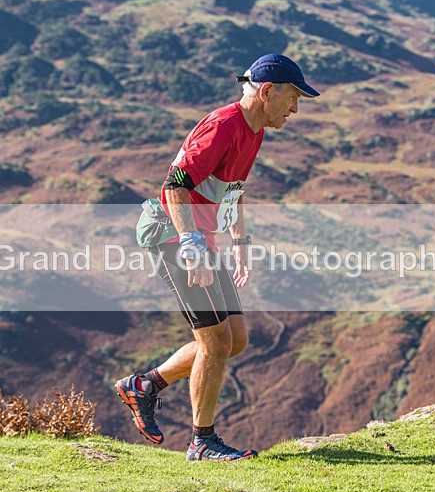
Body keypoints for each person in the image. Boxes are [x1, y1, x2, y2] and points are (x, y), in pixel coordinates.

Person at [115, 54, 319, 461]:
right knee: (214, 341)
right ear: (267, 92)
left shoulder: (255, 129)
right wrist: (192, 248)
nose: (295, 108)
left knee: (236, 339)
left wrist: (241, 245)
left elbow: (233, 191)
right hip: (174, 237)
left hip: (200, 238)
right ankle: (201, 442)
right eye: (293, 98)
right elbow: (175, 185)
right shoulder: (223, 126)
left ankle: (145, 385)